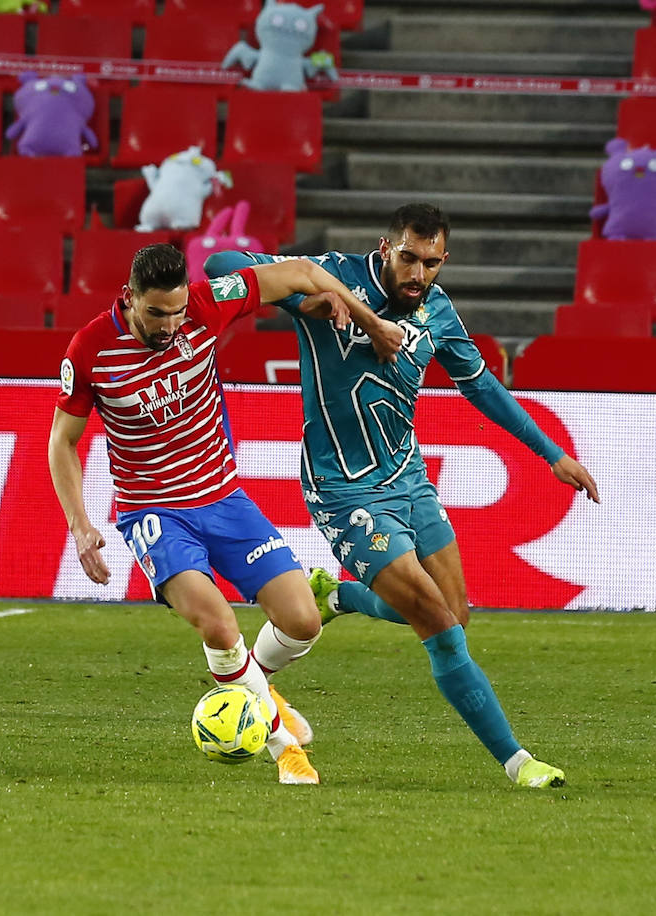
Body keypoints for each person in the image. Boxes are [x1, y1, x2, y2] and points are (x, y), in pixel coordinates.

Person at [206, 204, 600, 789]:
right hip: (343, 487)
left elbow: (483, 386)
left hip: (409, 478)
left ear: (445, 261)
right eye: (408, 258)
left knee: (454, 614)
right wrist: (322, 300)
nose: (418, 274)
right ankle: (519, 764)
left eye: (431, 263)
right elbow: (221, 264)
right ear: (386, 246)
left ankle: (338, 596)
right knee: (439, 626)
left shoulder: (437, 312)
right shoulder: (330, 275)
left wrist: (553, 455)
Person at [48, 243, 398, 786]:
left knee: (303, 621)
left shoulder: (212, 302)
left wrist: (371, 323)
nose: (170, 326)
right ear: (129, 298)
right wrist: (81, 523)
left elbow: (303, 272)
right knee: (217, 623)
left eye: (178, 311)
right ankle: (284, 748)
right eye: (156, 313)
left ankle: (252, 679)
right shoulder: (90, 349)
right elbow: (61, 443)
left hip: (224, 498)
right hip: (154, 513)